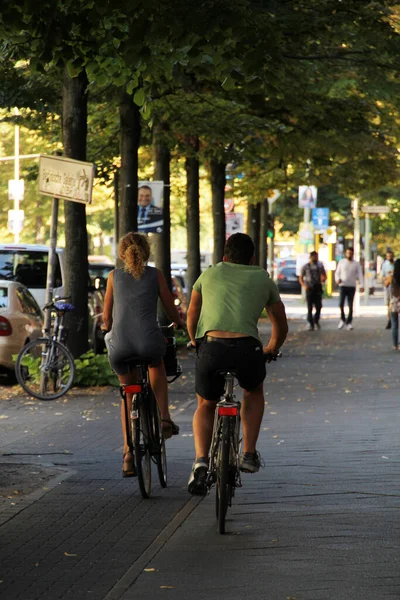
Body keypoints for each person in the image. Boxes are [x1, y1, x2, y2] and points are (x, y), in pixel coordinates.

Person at [186, 233, 288, 495]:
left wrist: (195, 340)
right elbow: (280, 322)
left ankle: (200, 462)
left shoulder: (208, 275)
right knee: (253, 391)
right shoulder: (262, 278)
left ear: (224, 257)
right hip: (247, 349)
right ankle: (249, 453)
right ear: (252, 259)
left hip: (212, 349)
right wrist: (272, 348)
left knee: (206, 404)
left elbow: (193, 312)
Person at [102, 232, 186, 477]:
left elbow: (107, 318)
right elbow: (171, 310)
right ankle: (165, 419)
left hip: (121, 347)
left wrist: (105, 327)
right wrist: (179, 322)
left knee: (127, 395)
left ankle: (128, 454)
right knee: (156, 363)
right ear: (147, 252)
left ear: (121, 253)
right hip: (149, 342)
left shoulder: (113, 277)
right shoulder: (155, 275)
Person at [335, 247, 364, 330]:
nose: (349, 255)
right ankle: (342, 319)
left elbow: (360, 275)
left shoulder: (356, 264)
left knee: (350, 305)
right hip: (343, 285)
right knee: (341, 304)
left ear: (353, 254)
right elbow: (337, 273)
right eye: (348, 253)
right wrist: (337, 279)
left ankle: (349, 322)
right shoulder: (342, 262)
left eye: (350, 253)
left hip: (351, 286)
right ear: (346, 253)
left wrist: (362, 285)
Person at [299, 251, 327, 330]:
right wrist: (304, 286)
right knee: (309, 306)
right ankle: (310, 323)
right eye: (314, 257)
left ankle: (316, 320)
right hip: (309, 287)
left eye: (316, 257)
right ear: (311, 257)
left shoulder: (320, 266)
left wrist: (323, 279)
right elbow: (301, 277)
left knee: (318, 306)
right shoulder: (306, 266)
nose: (316, 258)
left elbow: (324, 275)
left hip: (318, 287)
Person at [385, 258, 400, 350]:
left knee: (394, 324)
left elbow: (386, 284)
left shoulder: (392, 276)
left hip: (394, 301)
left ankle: (395, 345)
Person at [381, 250, 395, 329]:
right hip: (388, 286)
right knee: (388, 304)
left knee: (393, 304)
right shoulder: (384, 265)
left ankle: (393, 320)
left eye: (391, 256)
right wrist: (386, 278)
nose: (389, 258)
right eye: (388, 256)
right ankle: (389, 320)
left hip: (395, 287)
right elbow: (382, 275)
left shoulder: (396, 264)